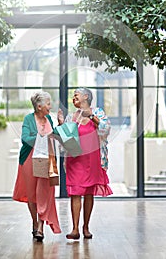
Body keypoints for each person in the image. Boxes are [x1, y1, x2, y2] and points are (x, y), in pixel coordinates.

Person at [58, 87, 113, 240]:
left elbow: (105, 130)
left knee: (89, 193)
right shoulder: (71, 116)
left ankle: (86, 227)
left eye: (76, 94)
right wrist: (62, 125)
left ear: (86, 96)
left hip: (92, 159)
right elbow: (65, 139)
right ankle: (75, 229)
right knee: (75, 192)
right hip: (75, 160)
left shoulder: (98, 112)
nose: (73, 97)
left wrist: (93, 117)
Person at [13, 91, 61, 241]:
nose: (50, 106)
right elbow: (25, 139)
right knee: (32, 195)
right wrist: (41, 137)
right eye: (48, 103)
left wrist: (60, 124)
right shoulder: (28, 119)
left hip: (47, 160)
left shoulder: (49, 119)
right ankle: (35, 223)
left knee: (44, 193)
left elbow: (56, 136)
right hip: (29, 159)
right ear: (39, 106)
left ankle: (40, 226)